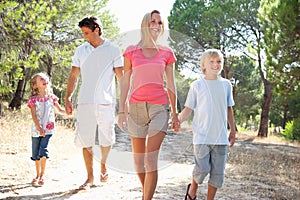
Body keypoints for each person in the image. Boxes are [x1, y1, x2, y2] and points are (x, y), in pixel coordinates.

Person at [117, 10, 180, 200]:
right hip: (135, 108)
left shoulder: (167, 53)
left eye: (160, 23)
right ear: (145, 24)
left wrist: (175, 113)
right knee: (138, 163)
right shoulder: (131, 51)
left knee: (150, 159)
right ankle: (147, 193)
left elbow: (171, 84)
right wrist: (121, 110)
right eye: (153, 21)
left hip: (159, 108)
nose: (156, 25)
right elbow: (125, 82)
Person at [65, 16, 123, 190]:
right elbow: (73, 76)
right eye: (83, 33)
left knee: (107, 138)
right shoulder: (81, 51)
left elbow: (121, 77)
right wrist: (68, 97)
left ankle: (103, 163)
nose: (85, 37)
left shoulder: (113, 50)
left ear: (97, 30)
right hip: (85, 101)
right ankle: (89, 178)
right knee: (85, 140)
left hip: (105, 102)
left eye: (87, 33)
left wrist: (127, 100)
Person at [178, 49, 236, 200]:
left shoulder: (226, 85)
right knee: (202, 169)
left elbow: (229, 108)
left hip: (221, 138)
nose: (216, 64)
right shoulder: (197, 85)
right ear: (203, 65)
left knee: (217, 174)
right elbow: (188, 108)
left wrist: (233, 130)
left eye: (219, 62)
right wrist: (178, 120)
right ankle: (192, 191)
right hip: (202, 137)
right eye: (212, 61)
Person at [27, 72, 65, 186]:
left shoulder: (52, 98)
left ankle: (43, 175)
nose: (45, 80)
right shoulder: (33, 100)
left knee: (43, 151)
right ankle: (37, 174)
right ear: (35, 85)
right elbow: (34, 116)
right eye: (41, 79)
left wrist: (68, 111)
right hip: (36, 130)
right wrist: (39, 128)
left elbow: (60, 110)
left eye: (45, 78)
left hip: (48, 129)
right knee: (35, 154)